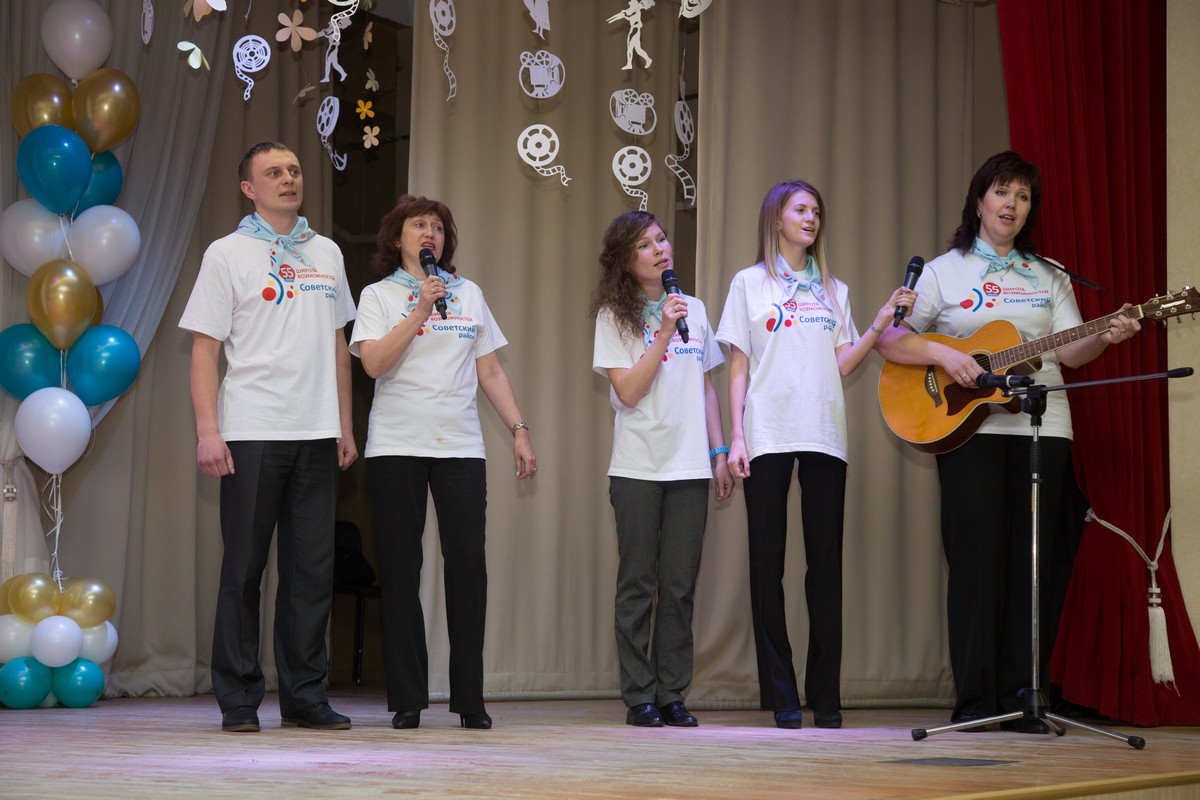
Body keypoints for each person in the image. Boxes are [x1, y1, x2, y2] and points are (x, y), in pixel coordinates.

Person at [875, 151, 1140, 732]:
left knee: (1032, 566)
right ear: (978, 201)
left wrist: (1106, 335)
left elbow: (1071, 351)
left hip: (1044, 427)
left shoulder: (1049, 274)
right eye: (1001, 192)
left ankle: (1024, 699)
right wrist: (947, 355)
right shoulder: (944, 270)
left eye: (1022, 197)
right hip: (965, 427)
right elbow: (893, 340)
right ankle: (975, 703)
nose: (1011, 205)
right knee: (976, 563)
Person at [716, 180, 916, 730]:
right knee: (767, 565)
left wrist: (879, 321)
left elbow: (843, 363)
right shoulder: (748, 283)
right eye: (800, 209)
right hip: (767, 431)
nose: (811, 218)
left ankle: (826, 696)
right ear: (776, 218)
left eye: (816, 212)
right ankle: (782, 693)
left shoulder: (834, 289)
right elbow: (737, 367)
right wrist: (737, 436)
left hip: (824, 432)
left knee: (825, 567)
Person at [180, 141, 358, 733]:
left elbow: (338, 345)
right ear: (248, 189)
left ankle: (305, 696)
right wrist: (209, 431)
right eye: (274, 173)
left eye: (295, 170)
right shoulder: (226, 253)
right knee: (244, 570)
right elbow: (204, 350)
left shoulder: (327, 252)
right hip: (251, 430)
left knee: (311, 573)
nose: (289, 179)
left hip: (317, 432)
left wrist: (344, 425)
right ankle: (238, 699)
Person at [349, 194, 536, 731]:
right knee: (402, 569)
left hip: (460, 446)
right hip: (397, 445)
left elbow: (490, 371)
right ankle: (408, 698)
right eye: (418, 225)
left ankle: (470, 699)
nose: (430, 232)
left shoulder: (468, 293)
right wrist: (419, 310)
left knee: (468, 566)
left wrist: (519, 430)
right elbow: (374, 363)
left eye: (437, 226)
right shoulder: (379, 295)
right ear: (397, 238)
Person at [590, 211, 734, 728]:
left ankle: (672, 692)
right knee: (637, 584)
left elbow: (705, 387)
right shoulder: (614, 316)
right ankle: (639, 697)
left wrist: (719, 453)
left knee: (678, 586)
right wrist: (663, 333)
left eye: (662, 239)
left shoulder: (694, 308)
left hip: (690, 466)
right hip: (637, 467)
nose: (661, 249)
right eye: (646, 244)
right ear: (626, 260)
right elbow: (628, 391)